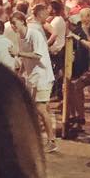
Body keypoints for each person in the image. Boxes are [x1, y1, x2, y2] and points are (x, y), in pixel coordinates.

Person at [16, 9, 57, 152]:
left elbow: (38, 55)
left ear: (22, 22)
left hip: (42, 76)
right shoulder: (20, 37)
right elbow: (25, 58)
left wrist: (19, 53)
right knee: (34, 108)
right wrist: (21, 72)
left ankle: (51, 140)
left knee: (40, 108)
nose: (14, 27)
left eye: (15, 24)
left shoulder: (35, 34)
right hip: (32, 77)